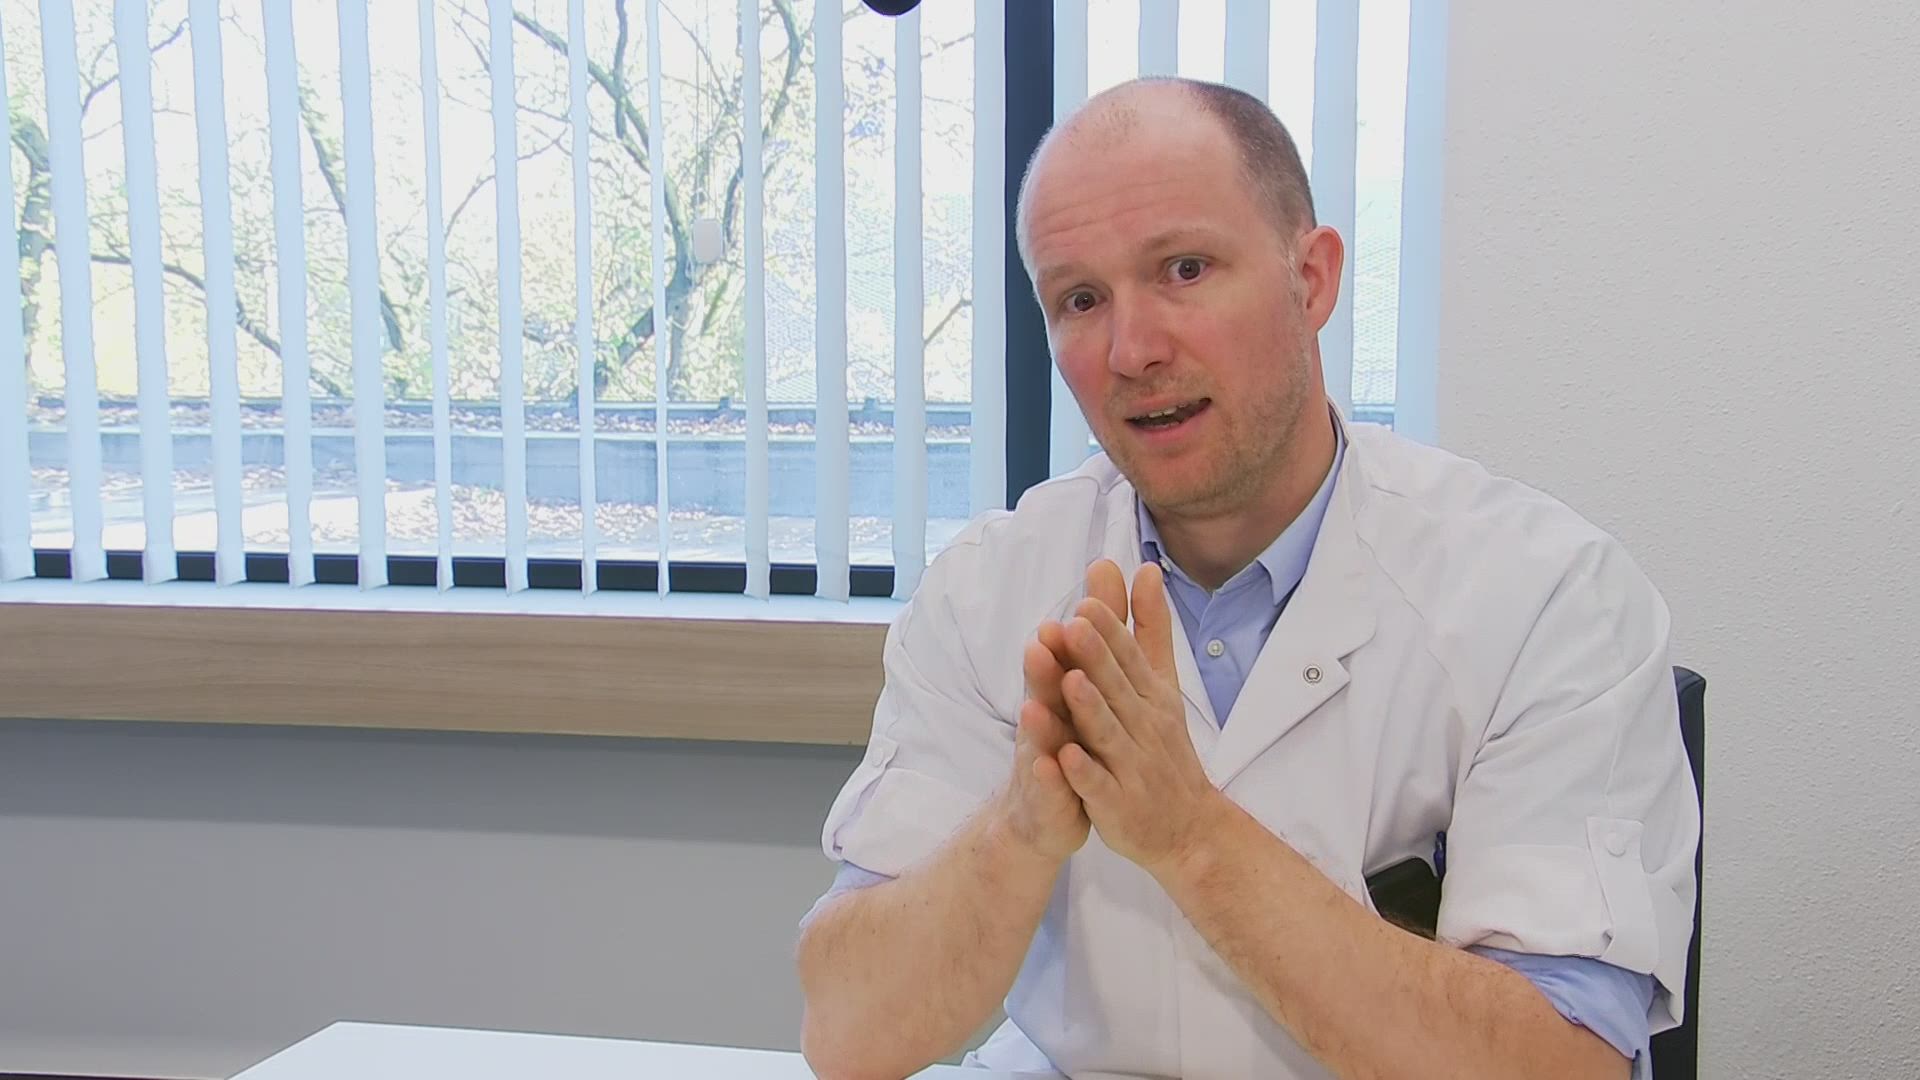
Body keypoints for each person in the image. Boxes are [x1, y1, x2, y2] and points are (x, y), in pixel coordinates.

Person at [794, 77, 1698, 1080]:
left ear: (1311, 280)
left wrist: (1191, 835)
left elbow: (1567, 1063)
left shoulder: (1549, 596)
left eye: (1184, 269)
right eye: (1080, 299)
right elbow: (850, 1035)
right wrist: (1019, 826)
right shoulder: (987, 590)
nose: (1132, 351)